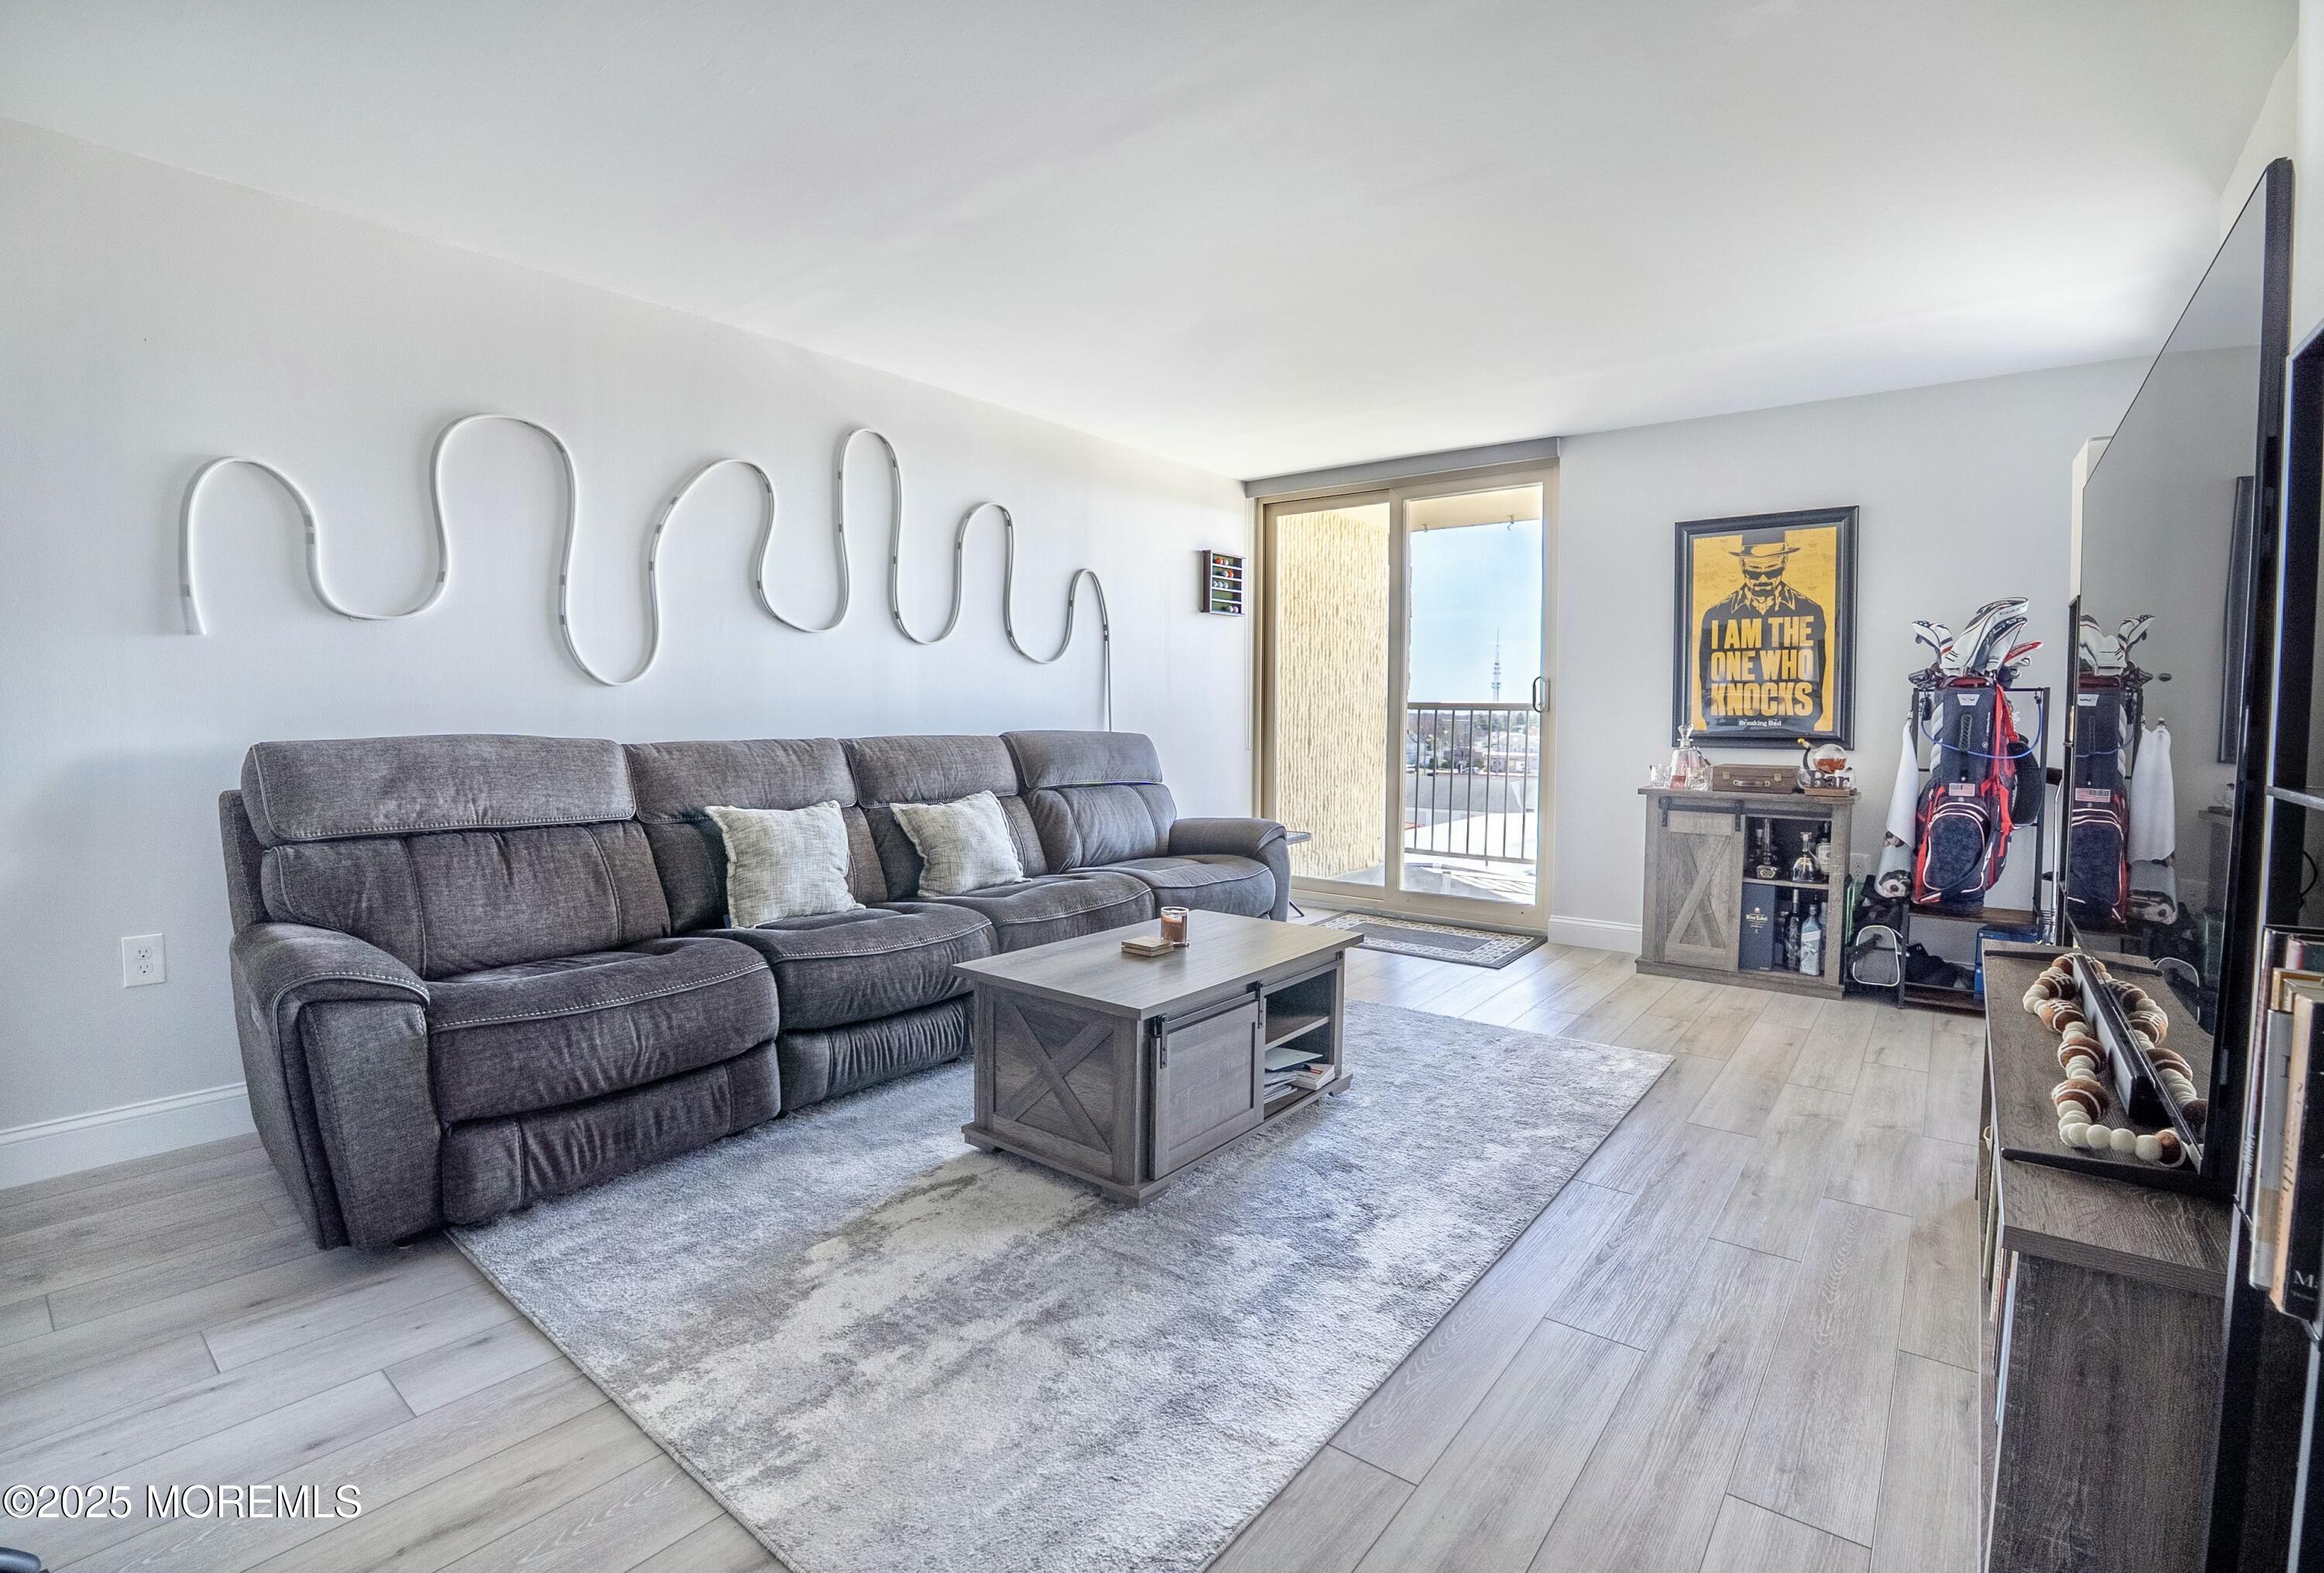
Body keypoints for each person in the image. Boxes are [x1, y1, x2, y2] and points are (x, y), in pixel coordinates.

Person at [1697, 531, 1829, 734]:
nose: (1763, 578)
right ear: (1742, 565)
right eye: (1754, 571)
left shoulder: (1810, 610)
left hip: (1793, 731)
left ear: (1784, 562)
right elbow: (1708, 690)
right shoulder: (1717, 614)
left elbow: (1814, 685)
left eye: (1772, 569)